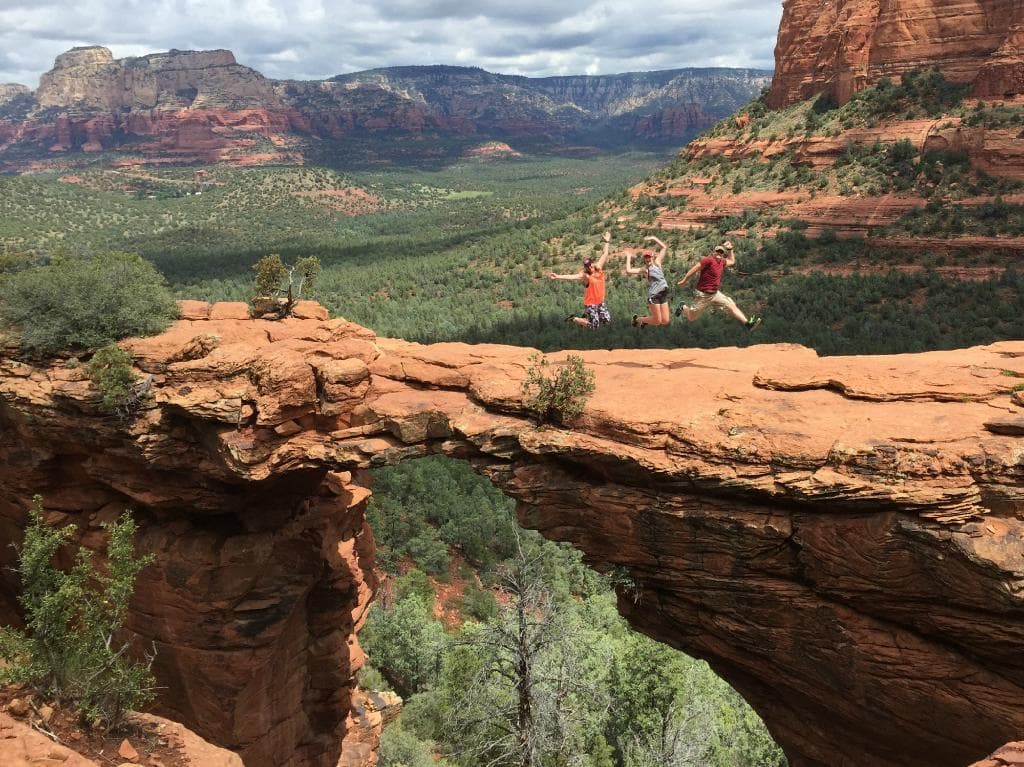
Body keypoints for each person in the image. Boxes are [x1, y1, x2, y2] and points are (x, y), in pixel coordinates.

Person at [675, 240, 761, 330]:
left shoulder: (722, 262)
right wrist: (685, 280)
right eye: (717, 251)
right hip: (703, 295)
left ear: (723, 254)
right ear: (713, 252)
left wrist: (730, 249)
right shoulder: (708, 260)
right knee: (691, 318)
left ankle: (748, 324)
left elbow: (732, 261)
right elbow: (695, 268)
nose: (719, 253)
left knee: (731, 306)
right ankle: (683, 306)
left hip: (715, 294)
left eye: (721, 252)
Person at [547, 230, 613, 328]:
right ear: (585, 267)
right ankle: (575, 319)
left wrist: (607, 241)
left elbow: (605, 254)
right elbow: (572, 277)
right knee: (594, 326)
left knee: (606, 320)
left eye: (590, 265)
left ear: (592, 263)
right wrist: (557, 276)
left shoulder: (598, 267)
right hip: (590, 303)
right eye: (587, 266)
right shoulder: (585, 276)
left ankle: (587, 316)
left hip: (600, 302)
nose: (589, 267)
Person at [624, 235, 670, 327]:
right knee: (657, 321)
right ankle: (638, 319)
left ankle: (646, 320)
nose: (647, 259)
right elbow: (629, 271)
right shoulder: (645, 270)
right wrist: (628, 257)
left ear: (652, 257)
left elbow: (664, 247)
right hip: (654, 296)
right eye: (646, 257)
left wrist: (653, 238)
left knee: (665, 321)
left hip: (663, 294)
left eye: (649, 257)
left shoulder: (658, 263)